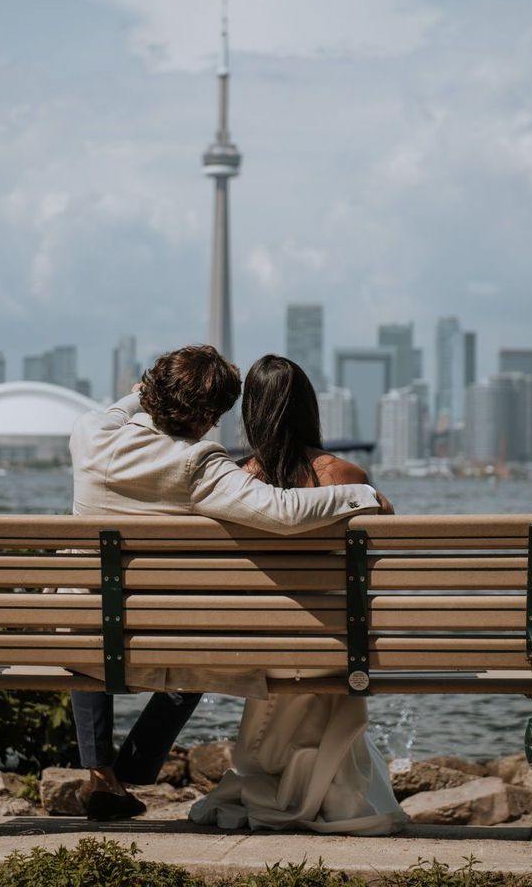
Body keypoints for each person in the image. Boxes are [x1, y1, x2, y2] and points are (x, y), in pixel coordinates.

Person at [68, 345, 394, 822]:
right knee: (201, 651)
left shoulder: (89, 433)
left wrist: (142, 394)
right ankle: (135, 767)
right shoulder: (201, 464)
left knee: (93, 619)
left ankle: (101, 772)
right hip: (163, 637)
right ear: (209, 418)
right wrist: (363, 494)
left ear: (152, 393)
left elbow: (122, 407)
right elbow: (283, 511)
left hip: (73, 629)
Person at [189, 354, 406, 835]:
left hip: (260, 649)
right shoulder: (346, 478)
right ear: (311, 409)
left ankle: (273, 772)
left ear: (252, 414)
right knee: (331, 627)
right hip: (333, 646)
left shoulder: (237, 483)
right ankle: (330, 786)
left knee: (287, 635)